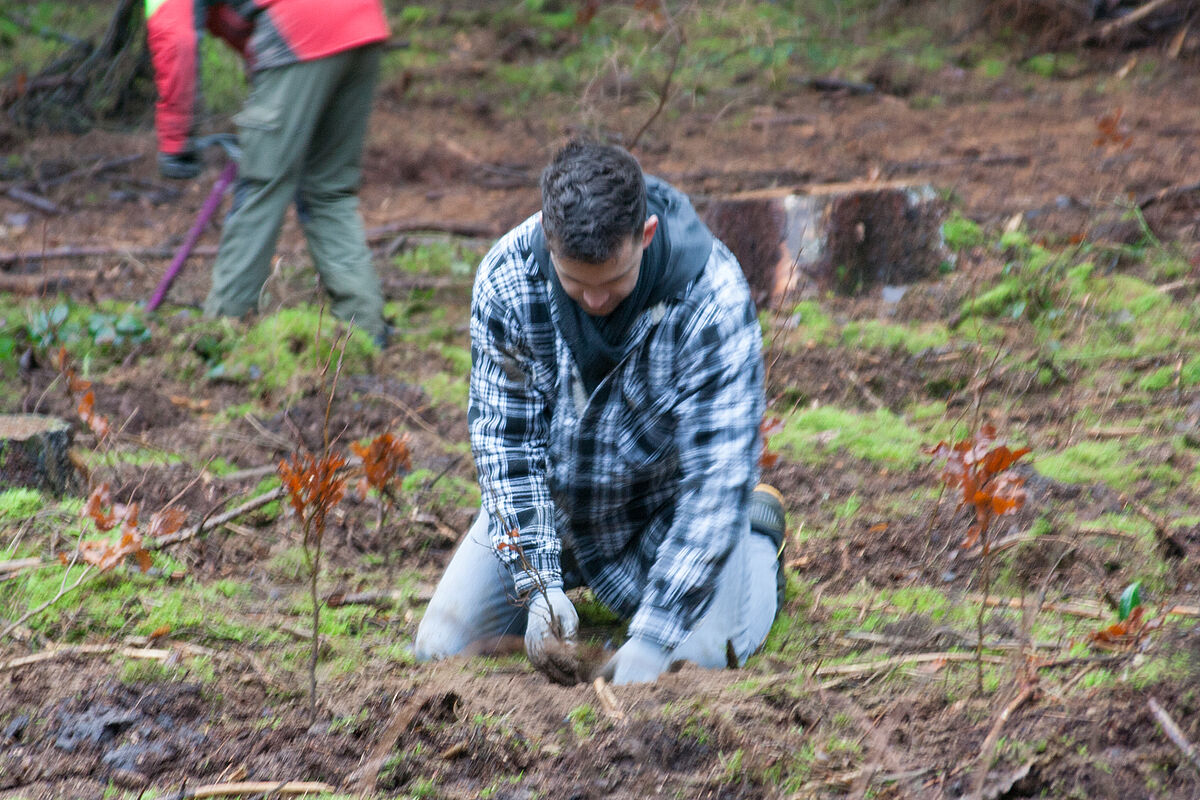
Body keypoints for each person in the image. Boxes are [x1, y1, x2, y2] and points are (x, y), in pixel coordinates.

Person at [414, 140, 788, 685]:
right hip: (558, 515)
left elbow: (715, 480)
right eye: (575, 283)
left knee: (698, 663)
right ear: (548, 236)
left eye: (613, 281)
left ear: (646, 236)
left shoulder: (713, 298)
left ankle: (757, 542)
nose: (593, 301)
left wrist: (657, 637)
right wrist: (539, 586)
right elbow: (507, 447)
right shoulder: (506, 280)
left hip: (668, 515)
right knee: (439, 646)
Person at [145, 0, 389, 344]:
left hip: (300, 29)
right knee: (329, 192)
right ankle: (366, 329)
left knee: (261, 186)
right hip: (363, 23)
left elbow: (176, 38)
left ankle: (223, 331)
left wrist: (175, 138)